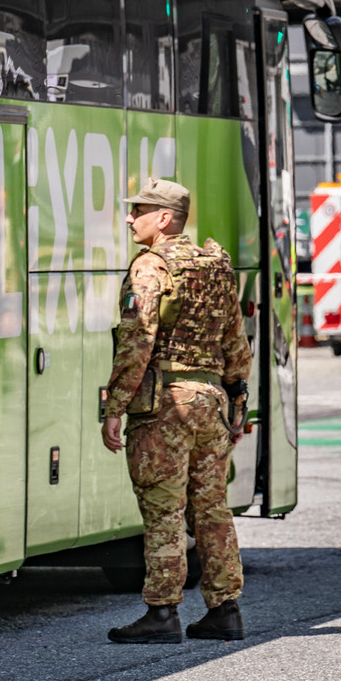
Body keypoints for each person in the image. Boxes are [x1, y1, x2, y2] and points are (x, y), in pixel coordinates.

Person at [101, 178, 253, 644]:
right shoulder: (216, 265)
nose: (131, 218)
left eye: (139, 211)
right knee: (211, 508)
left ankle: (162, 613)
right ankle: (225, 610)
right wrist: (238, 404)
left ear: (164, 219)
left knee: (164, 508)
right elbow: (236, 341)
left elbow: (137, 340)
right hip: (211, 401)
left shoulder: (151, 267)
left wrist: (115, 405)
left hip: (166, 404)